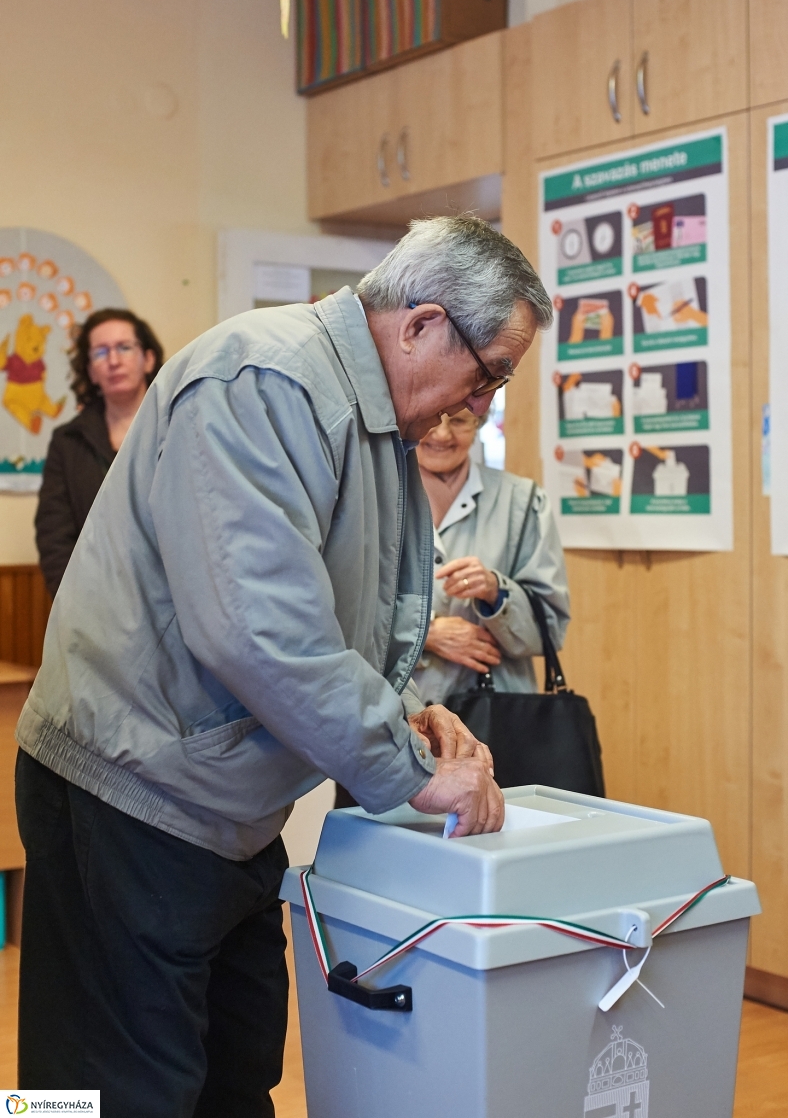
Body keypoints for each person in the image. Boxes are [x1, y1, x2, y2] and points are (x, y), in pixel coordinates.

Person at [15, 215, 552, 1116]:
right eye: (490, 372)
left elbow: (334, 620)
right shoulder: (263, 379)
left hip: (225, 804)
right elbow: (258, 630)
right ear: (422, 325)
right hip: (129, 792)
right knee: (108, 1094)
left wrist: (406, 716)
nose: (483, 402)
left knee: (235, 1079)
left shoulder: (370, 419)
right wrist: (413, 769)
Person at [413, 409, 570, 706]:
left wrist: (496, 593)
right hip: (398, 713)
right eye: (433, 417)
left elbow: (551, 629)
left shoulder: (522, 501)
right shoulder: (374, 497)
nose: (443, 434)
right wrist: (423, 634)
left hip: (495, 715)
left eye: (459, 421)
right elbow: (343, 618)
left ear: (479, 423)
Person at [34, 308, 164, 596]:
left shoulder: (176, 427)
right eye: (101, 353)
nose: (114, 361)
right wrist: (76, 603)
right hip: (95, 601)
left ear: (148, 359)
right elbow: (54, 535)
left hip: (176, 599)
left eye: (124, 347)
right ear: (91, 371)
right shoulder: (68, 442)